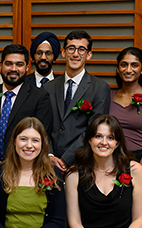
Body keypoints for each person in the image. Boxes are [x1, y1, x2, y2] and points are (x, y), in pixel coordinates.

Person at [0, 44, 53, 172]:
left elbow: (41, 135)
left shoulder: (40, 97)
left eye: (19, 64)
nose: (13, 68)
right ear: (1, 66)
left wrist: (13, 164)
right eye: (8, 64)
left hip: (24, 169)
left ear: (27, 68)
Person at [45, 30, 110, 171]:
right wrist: (49, 154)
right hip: (49, 163)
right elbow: (44, 125)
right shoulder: (49, 87)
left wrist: (66, 159)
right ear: (63, 52)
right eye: (71, 48)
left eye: (81, 50)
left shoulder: (99, 88)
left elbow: (94, 129)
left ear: (89, 55)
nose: (75, 54)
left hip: (82, 162)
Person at [110, 47, 142, 168]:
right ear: (118, 69)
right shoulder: (108, 96)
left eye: (134, 65)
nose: (128, 70)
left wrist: (138, 171)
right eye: (124, 65)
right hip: (110, 157)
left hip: (140, 159)